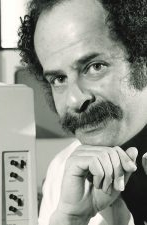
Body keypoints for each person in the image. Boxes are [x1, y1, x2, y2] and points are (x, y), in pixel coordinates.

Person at [18, 0, 147, 224]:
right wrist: (71, 218)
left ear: (142, 60)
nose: (75, 99)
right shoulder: (63, 171)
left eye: (95, 67)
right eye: (58, 79)